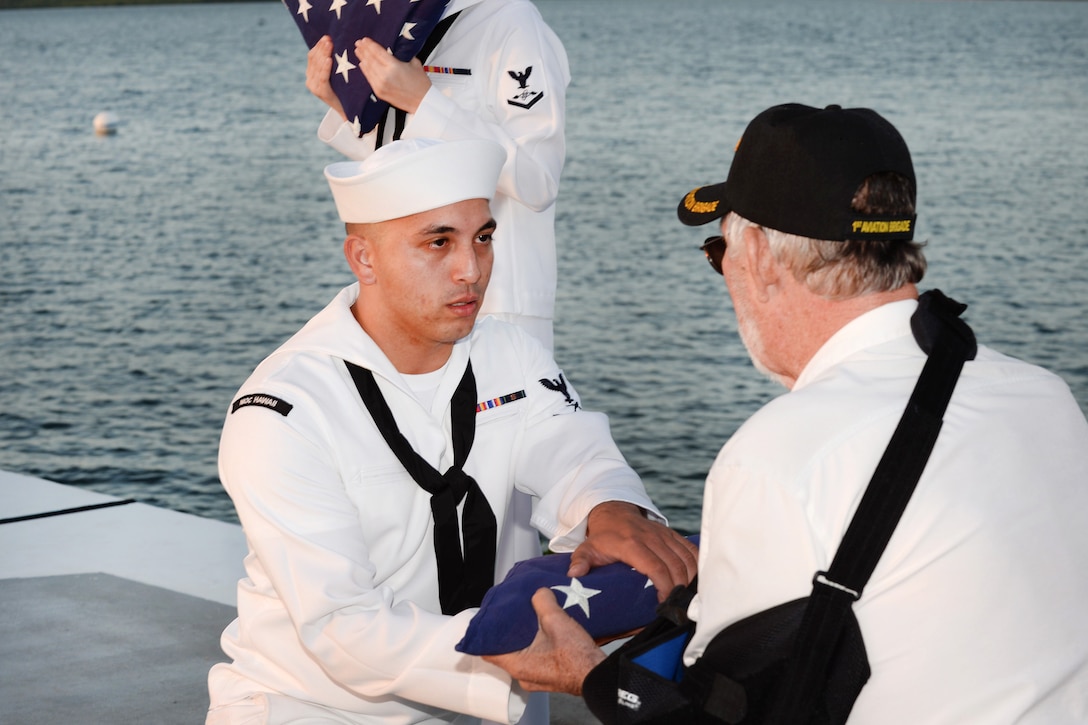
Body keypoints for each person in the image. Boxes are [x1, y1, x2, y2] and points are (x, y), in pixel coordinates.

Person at [485, 104, 1088, 722]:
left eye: (718, 250)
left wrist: (587, 676)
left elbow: (719, 713)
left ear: (763, 260)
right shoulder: (1043, 397)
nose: (725, 277)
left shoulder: (778, 457)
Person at [205, 137, 697, 725]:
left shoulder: (513, 354)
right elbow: (339, 625)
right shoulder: (284, 410)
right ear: (363, 259)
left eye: (482, 238)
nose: (472, 269)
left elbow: (572, 452)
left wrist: (610, 508)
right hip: (313, 706)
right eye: (438, 242)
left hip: (496, 706)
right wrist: (518, 654)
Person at [305, 0, 568, 351]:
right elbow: (417, 164)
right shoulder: (396, 17)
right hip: (411, 301)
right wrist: (342, 105)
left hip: (497, 309)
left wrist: (423, 101)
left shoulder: (509, 18)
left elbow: (538, 181)